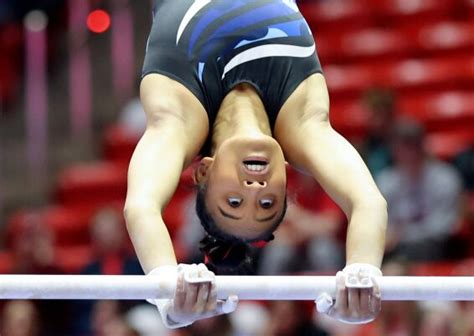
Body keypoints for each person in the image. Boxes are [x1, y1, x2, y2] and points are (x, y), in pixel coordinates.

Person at [124, 0, 387, 329]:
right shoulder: (304, 122)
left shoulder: (177, 116)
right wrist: (362, 272)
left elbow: (141, 206)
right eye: (267, 203)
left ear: (203, 171)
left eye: (234, 202)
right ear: (285, 179)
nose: (255, 189)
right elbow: (368, 202)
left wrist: (166, 290)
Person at [377, 119, 462, 261]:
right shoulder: (386, 181)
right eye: (402, 145)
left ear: (422, 145)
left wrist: (403, 234)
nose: (408, 151)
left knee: (424, 247)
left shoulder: (445, 178)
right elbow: (383, 222)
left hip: (434, 246)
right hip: (394, 248)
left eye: (412, 144)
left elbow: (445, 226)